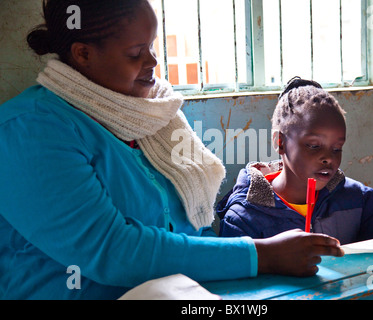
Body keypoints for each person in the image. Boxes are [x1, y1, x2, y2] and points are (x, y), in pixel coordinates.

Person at [0, 1, 343, 299]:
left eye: (151, 46)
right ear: (83, 54)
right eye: (135, 53)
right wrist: (262, 255)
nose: (152, 61)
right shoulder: (31, 130)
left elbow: (196, 228)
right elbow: (113, 251)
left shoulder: (155, 116)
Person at [218, 77, 373, 244]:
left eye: (337, 148)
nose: (328, 158)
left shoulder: (356, 199)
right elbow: (237, 288)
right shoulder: (245, 218)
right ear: (280, 142)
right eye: (314, 146)